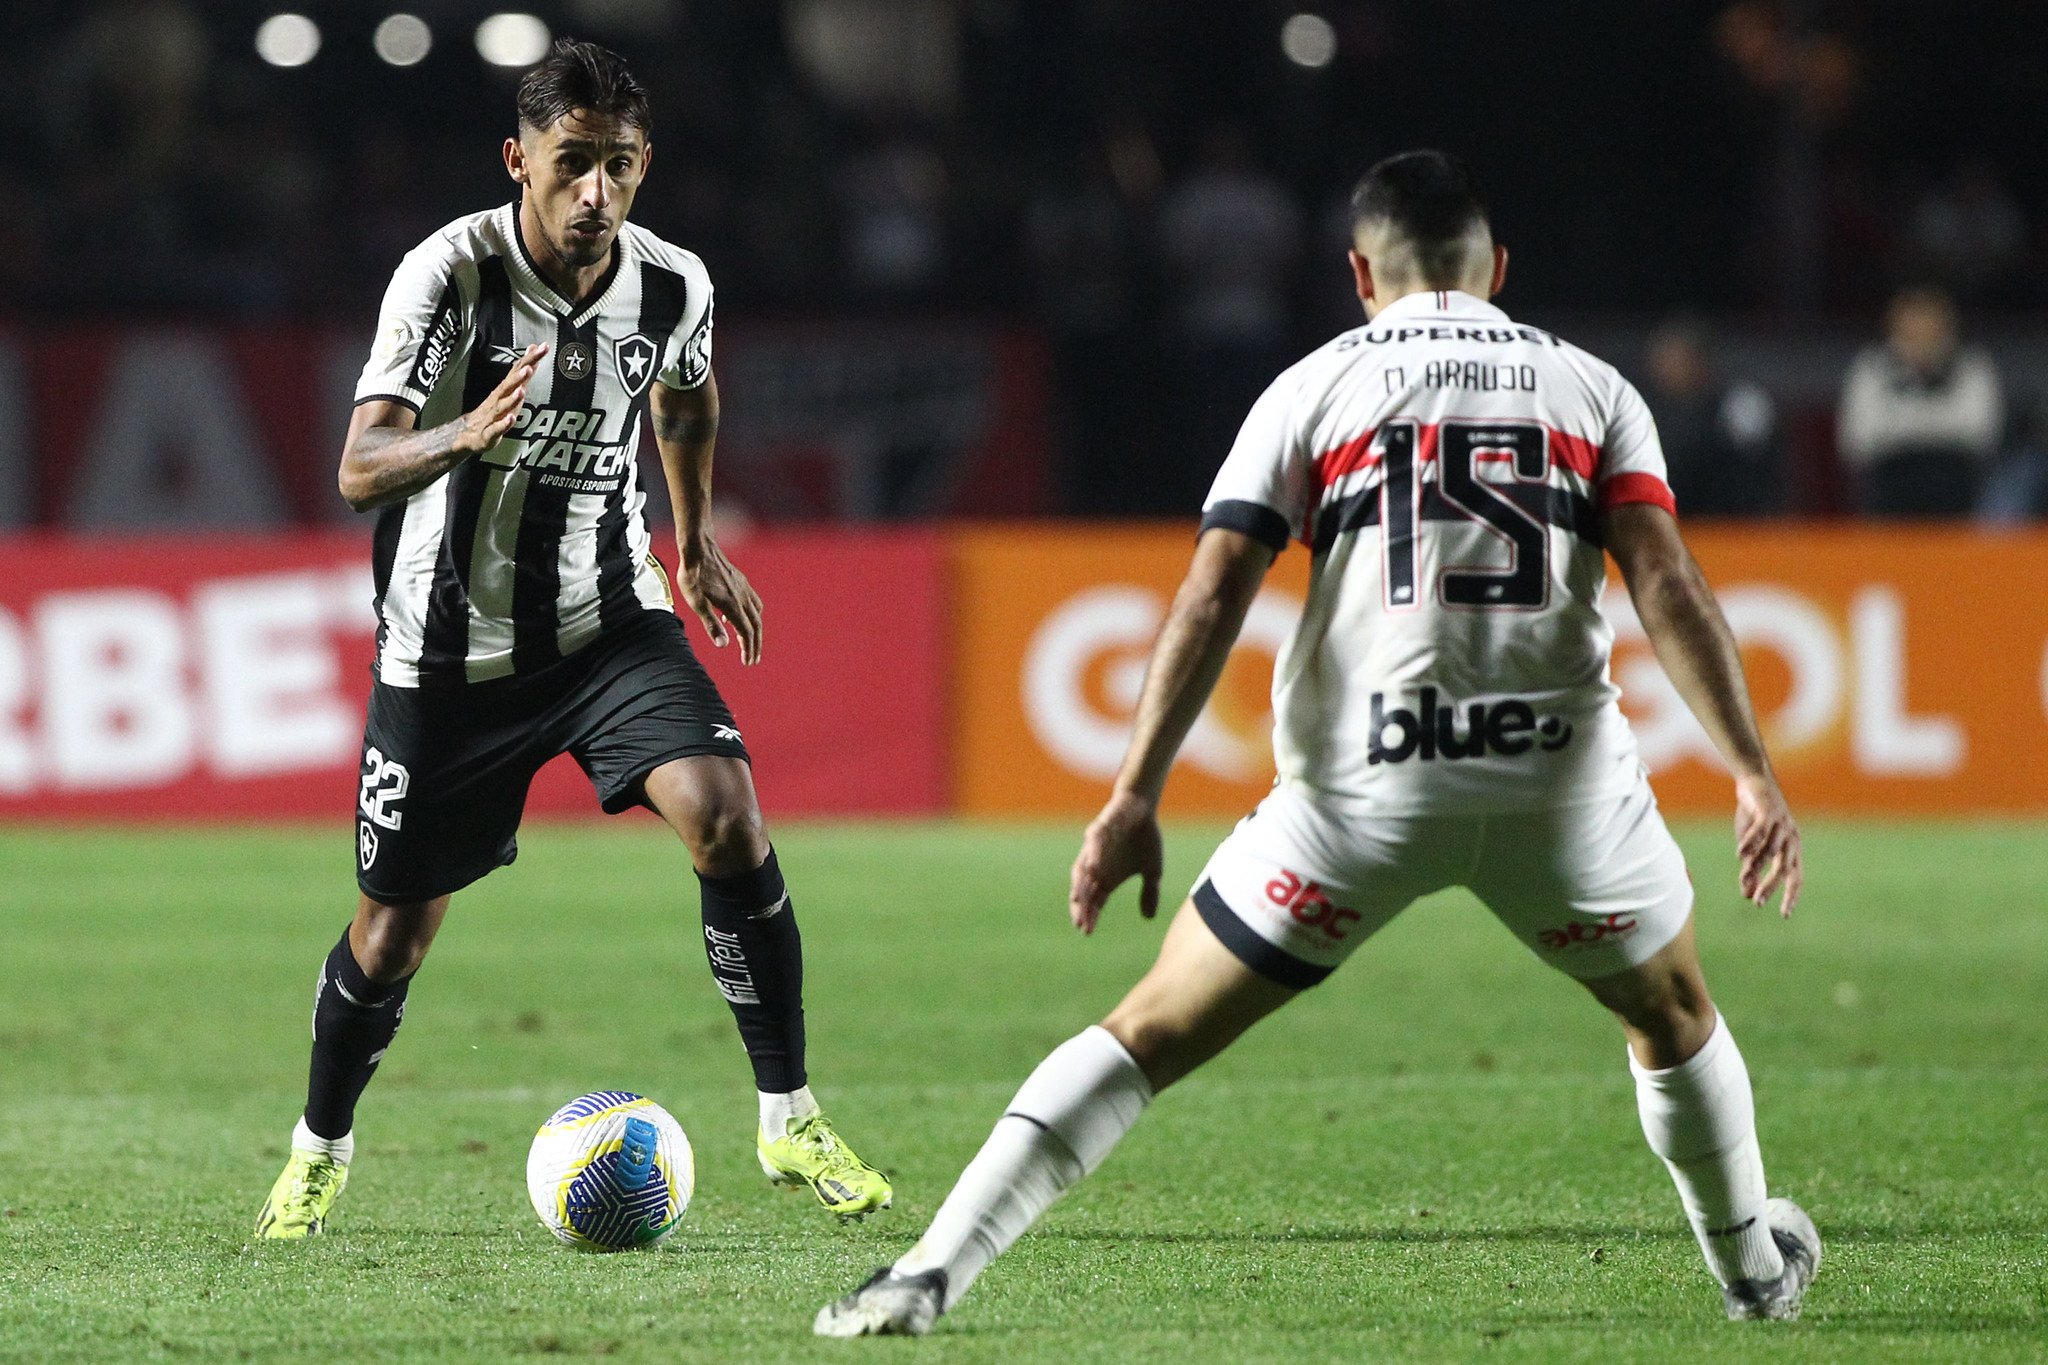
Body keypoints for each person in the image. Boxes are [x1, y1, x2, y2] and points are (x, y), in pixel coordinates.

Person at [817, 150, 1818, 1336]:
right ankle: (1752, 1269)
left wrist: (1133, 793)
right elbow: (1664, 581)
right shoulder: (1591, 386)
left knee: (1149, 1030)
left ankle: (930, 1269)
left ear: (1357, 273)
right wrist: (1751, 771)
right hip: (1557, 789)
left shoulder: (1310, 386)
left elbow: (1210, 593)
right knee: (1670, 1018)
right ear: (1496, 270)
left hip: (1363, 792)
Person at [255, 39, 891, 1239]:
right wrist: (458, 439)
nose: (595, 193)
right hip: (446, 656)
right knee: (391, 934)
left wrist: (692, 541)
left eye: (619, 166)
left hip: (607, 623)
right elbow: (357, 468)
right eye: (571, 164)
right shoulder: (447, 276)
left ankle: (788, 1116)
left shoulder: (672, 285)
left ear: (643, 167)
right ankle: (319, 1147)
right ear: (518, 161)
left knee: (725, 814)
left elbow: (686, 393)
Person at [1837, 286, 2003, 518]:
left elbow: (1979, 431)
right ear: (1894, 324)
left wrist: (1902, 420)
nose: (1922, 330)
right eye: (1913, 321)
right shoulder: (1871, 368)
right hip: (1890, 490)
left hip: (1952, 490)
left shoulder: (1972, 366)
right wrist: (1940, 419)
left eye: (1929, 320)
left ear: (1947, 324)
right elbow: (1859, 439)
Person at [1642, 316, 1781, 516]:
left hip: (1732, 528)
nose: (1666, 369)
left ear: (1699, 361)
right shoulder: (1649, 414)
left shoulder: (1737, 408)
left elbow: (1753, 482)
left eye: (1676, 360)